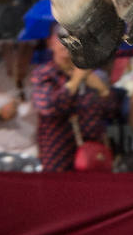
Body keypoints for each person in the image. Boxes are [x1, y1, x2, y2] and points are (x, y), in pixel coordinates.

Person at [31, 25, 118, 171]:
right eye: (62, 39)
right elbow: (47, 107)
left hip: (92, 156)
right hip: (58, 154)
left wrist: (103, 90)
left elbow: (112, 111)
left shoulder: (95, 74)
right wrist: (75, 82)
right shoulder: (44, 73)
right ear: (50, 42)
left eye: (73, 40)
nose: (66, 45)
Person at [0, 40, 37, 156]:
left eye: (26, 48)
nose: (19, 55)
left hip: (32, 153)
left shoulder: (42, 74)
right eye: (15, 48)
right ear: (3, 49)